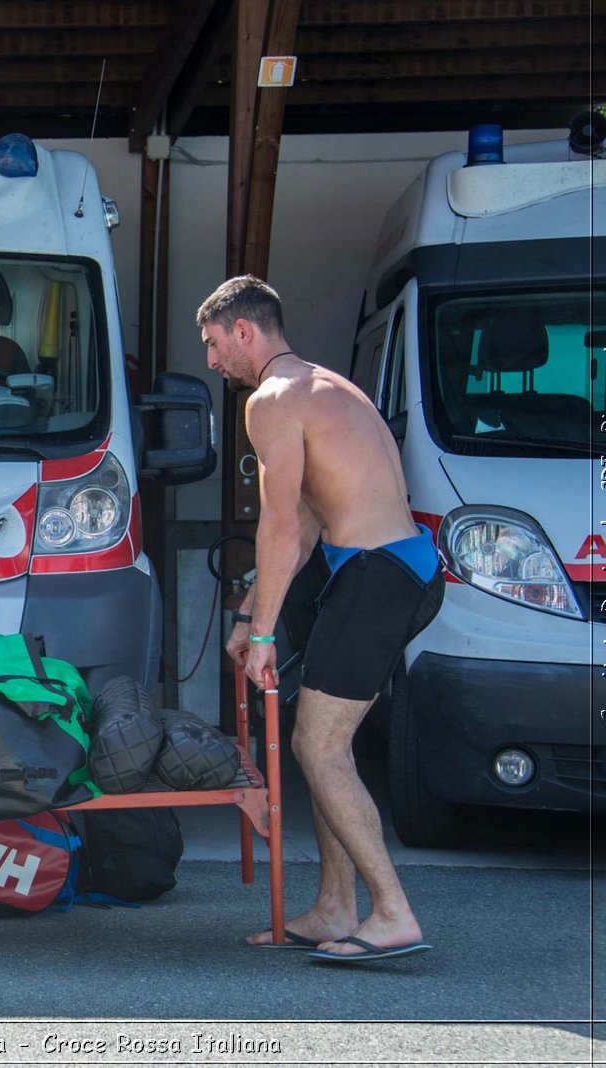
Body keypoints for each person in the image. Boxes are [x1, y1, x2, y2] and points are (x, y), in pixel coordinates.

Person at [198, 276, 444, 964]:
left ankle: (392, 912)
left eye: (215, 346)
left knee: (319, 746)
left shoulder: (272, 402)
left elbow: (277, 526)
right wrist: (251, 613)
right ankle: (336, 905)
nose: (214, 364)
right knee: (321, 739)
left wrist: (266, 634)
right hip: (397, 570)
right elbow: (307, 521)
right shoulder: (324, 387)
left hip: (378, 575)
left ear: (244, 332)